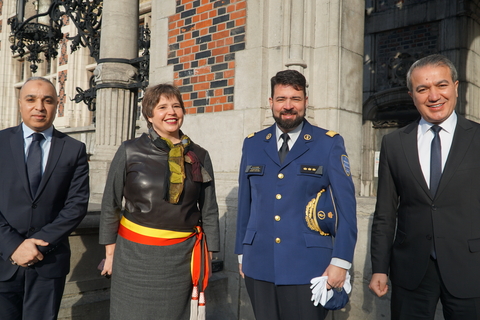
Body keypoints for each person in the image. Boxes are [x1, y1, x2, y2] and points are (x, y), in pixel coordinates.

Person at [235, 69, 357, 320]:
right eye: (281, 99)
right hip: (259, 263)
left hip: (310, 267)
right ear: (271, 102)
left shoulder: (328, 143)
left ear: (305, 102)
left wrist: (341, 262)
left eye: (295, 99)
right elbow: (245, 204)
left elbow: (347, 209)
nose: (288, 106)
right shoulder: (253, 143)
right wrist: (241, 252)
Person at [369, 54, 480, 319]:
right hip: (411, 272)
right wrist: (379, 268)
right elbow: (385, 213)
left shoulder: (477, 138)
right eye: (422, 89)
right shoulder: (394, 143)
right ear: (412, 94)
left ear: (455, 86)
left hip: (470, 268)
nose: (433, 96)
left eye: (441, 85)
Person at [99, 83, 220, 320]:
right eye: (162, 107)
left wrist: (210, 253)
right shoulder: (129, 151)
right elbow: (110, 204)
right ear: (149, 115)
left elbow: (209, 209)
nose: (171, 112)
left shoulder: (199, 154)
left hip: (182, 258)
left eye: (176, 106)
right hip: (134, 257)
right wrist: (110, 253)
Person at [0, 77, 90, 320]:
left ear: (56, 105)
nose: (39, 106)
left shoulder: (73, 149)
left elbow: (76, 205)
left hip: (48, 263)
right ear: (20, 103)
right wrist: (14, 246)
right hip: (3, 259)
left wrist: (36, 244)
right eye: (31, 99)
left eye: (47, 100)